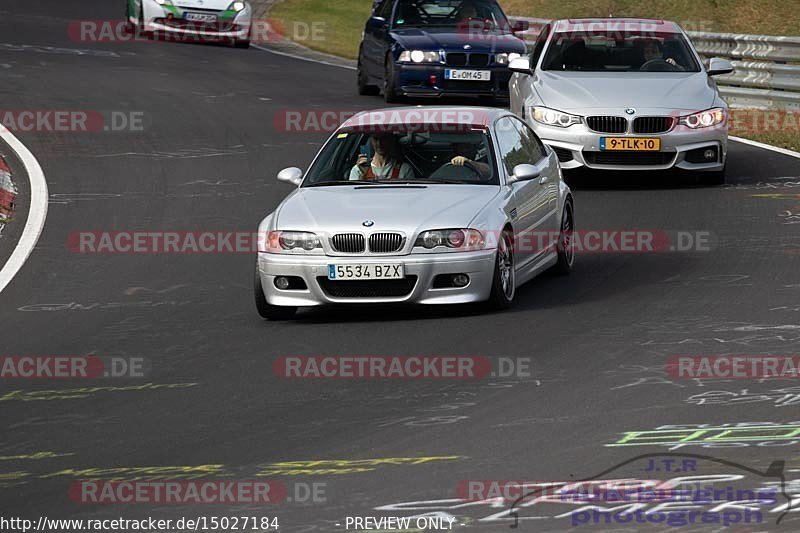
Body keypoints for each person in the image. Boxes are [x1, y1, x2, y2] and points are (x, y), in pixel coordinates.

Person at [349, 134, 415, 181]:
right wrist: (363, 175)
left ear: (391, 140)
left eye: (384, 139)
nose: (379, 143)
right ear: (371, 141)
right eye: (375, 139)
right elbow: (353, 196)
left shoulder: (405, 169)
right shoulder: (358, 170)